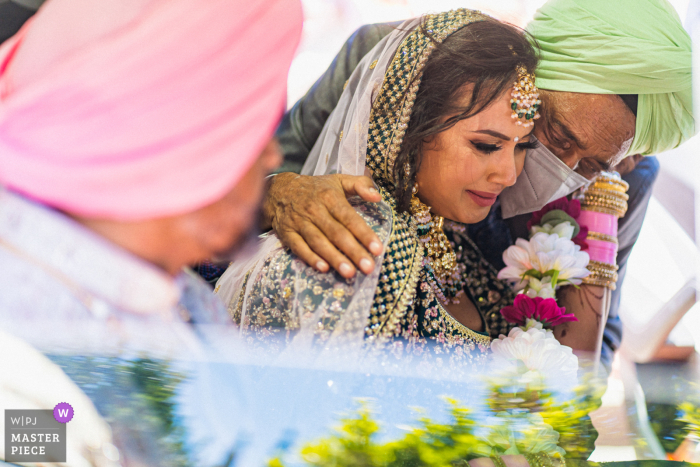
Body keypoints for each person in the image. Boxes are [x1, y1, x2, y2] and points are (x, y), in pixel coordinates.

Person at [258, 0, 693, 365]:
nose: (564, 169)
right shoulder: (398, 64)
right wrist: (280, 190)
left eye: (594, 163)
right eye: (557, 137)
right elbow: (240, 186)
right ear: (528, 76)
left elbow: (595, 348)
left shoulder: (619, 183)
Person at [215, 9, 545, 359]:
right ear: (408, 130)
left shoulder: (460, 246)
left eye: (522, 147)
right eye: (486, 146)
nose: (508, 175)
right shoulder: (347, 248)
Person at [0, 0, 302, 353]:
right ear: (173, 144)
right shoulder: (33, 352)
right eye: (254, 126)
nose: (272, 155)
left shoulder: (180, 301)